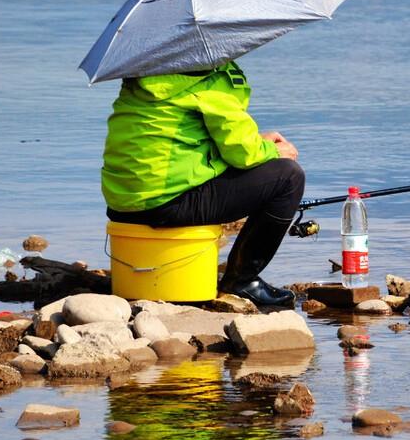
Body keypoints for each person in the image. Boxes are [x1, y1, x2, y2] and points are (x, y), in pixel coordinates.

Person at [101, 61, 305, 306]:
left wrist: (258, 141)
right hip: (167, 205)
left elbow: (177, 142)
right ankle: (242, 281)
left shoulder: (142, 76)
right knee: (288, 177)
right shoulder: (208, 80)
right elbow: (242, 155)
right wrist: (273, 151)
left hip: (124, 206)